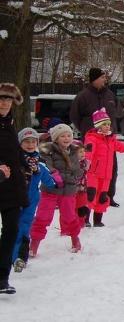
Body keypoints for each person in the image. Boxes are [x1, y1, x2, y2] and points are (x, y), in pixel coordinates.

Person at [30, 124, 84, 255]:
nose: (66, 138)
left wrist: (68, 177)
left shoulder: (75, 152)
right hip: (51, 190)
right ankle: (34, 244)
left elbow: (77, 172)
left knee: (70, 217)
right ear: (56, 138)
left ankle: (75, 239)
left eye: (69, 135)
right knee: (42, 217)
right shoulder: (48, 151)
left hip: (68, 191)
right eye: (62, 136)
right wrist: (55, 175)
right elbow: (47, 167)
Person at [70, 68, 119, 207]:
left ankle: (108, 196)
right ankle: (88, 195)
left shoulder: (110, 94)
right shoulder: (83, 96)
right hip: (91, 140)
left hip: (108, 139)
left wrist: (113, 129)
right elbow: (74, 115)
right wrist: (86, 129)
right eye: (102, 77)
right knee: (90, 168)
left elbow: (116, 113)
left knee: (110, 168)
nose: (105, 79)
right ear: (94, 79)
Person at [13, 128, 57, 273]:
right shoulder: (14, 160)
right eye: (26, 141)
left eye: (33, 141)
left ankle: (19, 257)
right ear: (20, 143)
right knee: (12, 227)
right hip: (14, 198)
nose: (30, 144)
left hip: (31, 200)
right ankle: (12, 255)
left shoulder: (39, 163)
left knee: (24, 226)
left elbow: (49, 180)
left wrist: (55, 182)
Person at [0, 83, 27, 294]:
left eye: (8, 100)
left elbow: (14, 151)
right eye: (1, 99)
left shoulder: (9, 123)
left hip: (12, 187)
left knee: (11, 230)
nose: (4, 103)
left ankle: (2, 278)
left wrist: (27, 163)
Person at [83, 109, 124, 227]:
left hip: (106, 175)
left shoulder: (111, 139)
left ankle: (98, 220)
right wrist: (87, 161)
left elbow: (121, 147)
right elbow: (88, 150)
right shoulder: (92, 138)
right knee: (91, 194)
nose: (107, 126)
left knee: (102, 196)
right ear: (98, 125)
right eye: (104, 124)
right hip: (93, 173)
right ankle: (85, 219)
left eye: (109, 124)